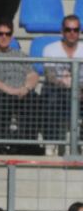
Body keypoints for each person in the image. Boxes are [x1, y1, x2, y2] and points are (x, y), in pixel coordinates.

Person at [0, 19, 40, 154]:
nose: (4, 36)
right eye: (0, 33)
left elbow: (33, 75)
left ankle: (27, 145)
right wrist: (9, 90)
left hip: (21, 92)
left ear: (11, 35)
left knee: (34, 100)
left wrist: (26, 88)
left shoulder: (20, 54)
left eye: (7, 33)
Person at [42, 15, 83, 156]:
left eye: (76, 30)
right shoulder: (50, 49)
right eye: (68, 29)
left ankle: (80, 143)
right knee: (52, 94)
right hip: (58, 90)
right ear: (62, 31)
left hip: (81, 91)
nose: (72, 33)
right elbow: (50, 75)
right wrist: (71, 88)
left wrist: (79, 90)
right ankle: (53, 142)